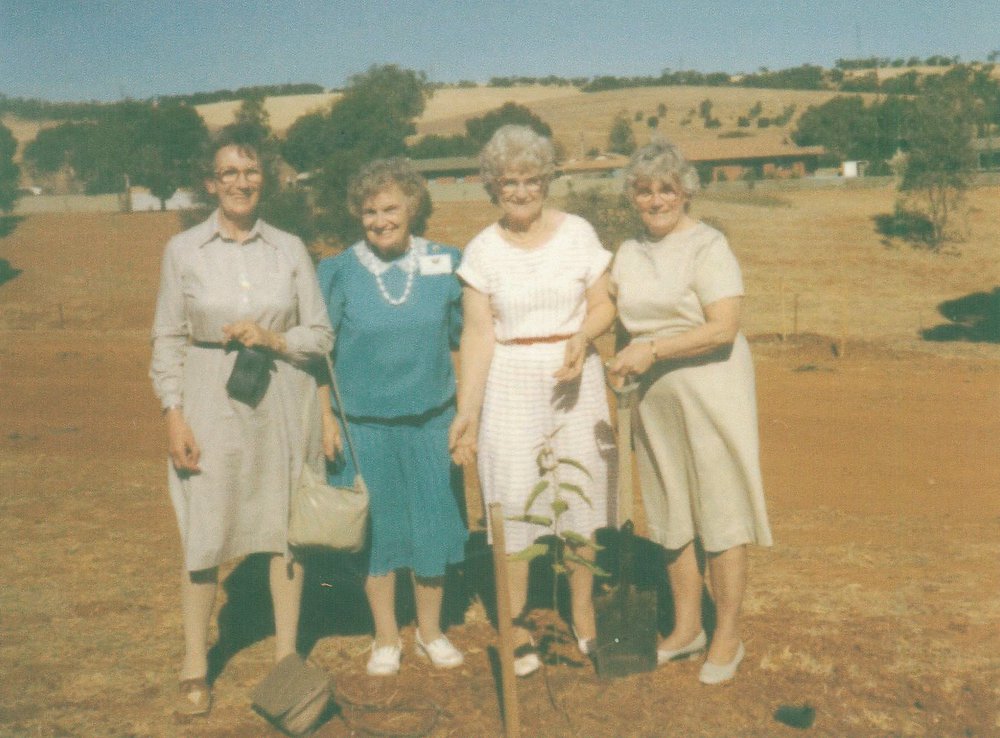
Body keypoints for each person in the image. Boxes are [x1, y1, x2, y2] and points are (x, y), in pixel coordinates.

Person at [150, 124, 334, 716]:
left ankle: (285, 655)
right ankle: (194, 661)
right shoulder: (183, 252)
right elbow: (167, 337)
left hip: (283, 398)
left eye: (250, 171)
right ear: (210, 183)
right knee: (205, 526)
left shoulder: (290, 249)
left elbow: (322, 335)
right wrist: (173, 415)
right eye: (228, 172)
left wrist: (273, 337)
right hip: (209, 399)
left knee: (286, 525)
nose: (240, 182)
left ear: (265, 181)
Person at [449, 125, 616, 677]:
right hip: (511, 382)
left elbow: (603, 304)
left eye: (530, 180)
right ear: (492, 186)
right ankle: (516, 626)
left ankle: (584, 614)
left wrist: (583, 337)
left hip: (575, 378)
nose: (520, 192)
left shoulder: (579, 234)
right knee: (516, 499)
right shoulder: (481, 251)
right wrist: (467, 412)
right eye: (508, 183)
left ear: (547, 181)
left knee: (583, 494)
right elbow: (477, 336)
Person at [607, 139, 773, 685]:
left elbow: (723, 327)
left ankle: (727, 635)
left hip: (712, 390)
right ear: (631, 196)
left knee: (720, 512)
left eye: (666, 189)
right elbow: (613, 308)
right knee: (670, 510)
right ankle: (685, 629)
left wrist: (651, 349)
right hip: (654, 398)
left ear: (685, 193)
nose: (655, 200)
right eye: (644, 190)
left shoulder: (709, 245)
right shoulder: (628, 252)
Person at [316, 157, 468, 677]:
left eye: (390, 208)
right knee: (376, 530)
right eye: (369, 211)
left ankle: (430, 631)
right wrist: (326, 418)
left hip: (432, 420)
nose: (380, 219)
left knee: (431, 522)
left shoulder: (448, 262)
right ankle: (385, 636)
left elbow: (464, 339)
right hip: (362, 425)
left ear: (413, 207)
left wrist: (466, 412)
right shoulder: (337, 271)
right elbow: (320, 353)